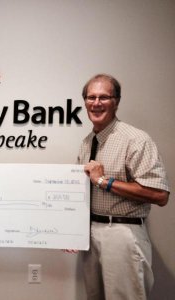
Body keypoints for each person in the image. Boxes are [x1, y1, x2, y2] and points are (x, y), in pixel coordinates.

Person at [77, 74, 170, 300]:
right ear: (85, 101)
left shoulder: (136, 139)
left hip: (121, 233)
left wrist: (104, 181)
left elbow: (160, 194)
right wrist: (70, 231)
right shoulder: (87, 141)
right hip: (90, 234)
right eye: (91, 97)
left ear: (116, 101)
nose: (96, 103)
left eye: (104, 97)